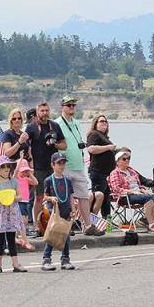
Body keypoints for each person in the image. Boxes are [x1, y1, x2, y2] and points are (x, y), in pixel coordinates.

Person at [55, 96, 105, 235]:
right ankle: (67, 225)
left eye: (73, 105)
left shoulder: (76, 123)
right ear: (62, 107)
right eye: (68, 105)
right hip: (65, 166)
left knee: (83, 196)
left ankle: (88, 226)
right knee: (66, 197)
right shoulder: (57, 123)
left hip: (78, 165)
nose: (71, 107)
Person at [24, 102, 67, 226]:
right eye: (42, 111)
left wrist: (54, 144)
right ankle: (38, 226)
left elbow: (64, 145)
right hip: (38, 167)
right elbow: (26, 146)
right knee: (39, 197)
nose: (45, 113)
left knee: (57, 195)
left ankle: (58, 223)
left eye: (47, 110)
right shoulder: (32, 127)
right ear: (37, 112)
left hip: (54, 167)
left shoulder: (55, 126)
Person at [108, 149, 154, 233]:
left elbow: (138, 185)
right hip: (126, 196)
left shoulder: (132, 171)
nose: (127, 160)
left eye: (128, 158)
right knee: (147, 199)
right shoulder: (115, 173)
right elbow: (116, 189)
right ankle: (151, 225)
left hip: (139, 194)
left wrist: (143, 190)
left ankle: (148, 220)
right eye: (124, 159)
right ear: (117, 161)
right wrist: (131, 191)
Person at [0, 157, 27, 274]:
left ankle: (16, 263)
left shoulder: (14, 181)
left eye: (8, 166)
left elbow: (20, 196)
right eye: (3, 167)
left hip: (11, 213)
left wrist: (13, 197)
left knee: (11, 238)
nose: (6, 169)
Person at [42, 153, 77, 271]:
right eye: (59, 163)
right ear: (53, 165)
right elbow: (45, 196)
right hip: (54, 211)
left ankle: (65, 259)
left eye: (63, 163)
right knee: (53, 235)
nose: (61, 166)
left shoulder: (67, 181)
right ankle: (46, 259)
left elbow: (71, 196)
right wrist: (51, 198)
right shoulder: (48, 180)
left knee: (66, 236)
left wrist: (73, 209)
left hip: (66, 210)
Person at [85, 114, 117, 219]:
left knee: (106, 200)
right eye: (101, 121)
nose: (104, 123)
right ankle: (91, 221)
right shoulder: (94, 134)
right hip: (98, 172)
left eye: (105, 121)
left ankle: (107, 224)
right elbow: (91, 149)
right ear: (95, 124)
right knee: (98, 198)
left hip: (107, 173)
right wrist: (108, 147)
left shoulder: (104, 137)